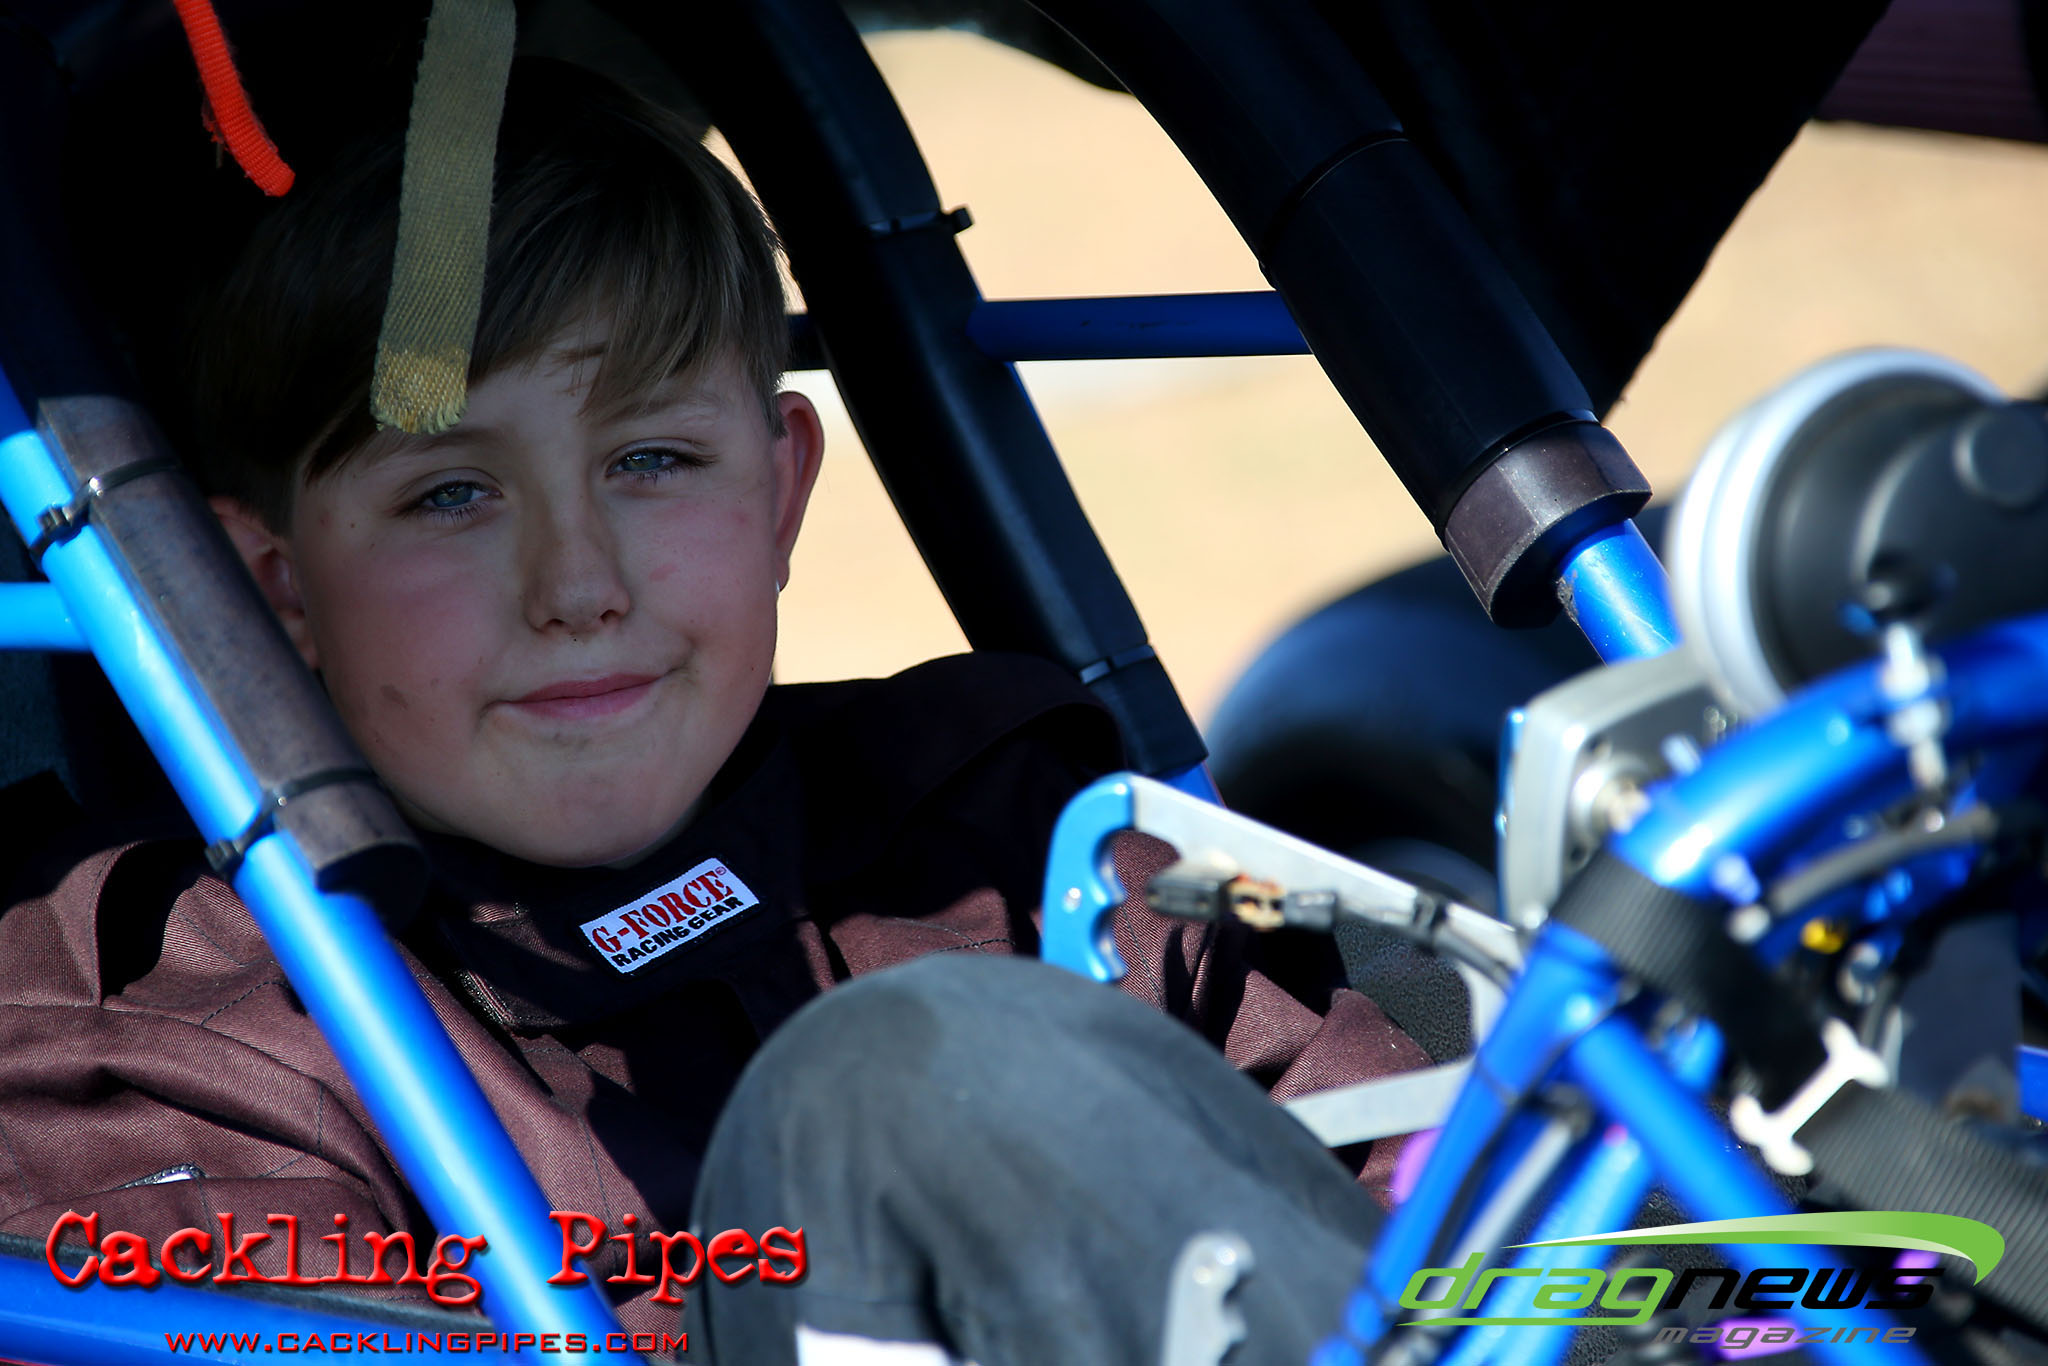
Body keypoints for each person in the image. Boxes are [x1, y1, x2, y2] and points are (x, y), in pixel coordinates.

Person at [0, 56, 1430, 1363]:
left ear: (783, 488)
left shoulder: (1010, 838)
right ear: (274, 587)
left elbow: (1477, 1238)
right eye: (451, 493)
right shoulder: (154, 1030)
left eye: (653, 461)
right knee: (906, 1084)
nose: (579, 586)